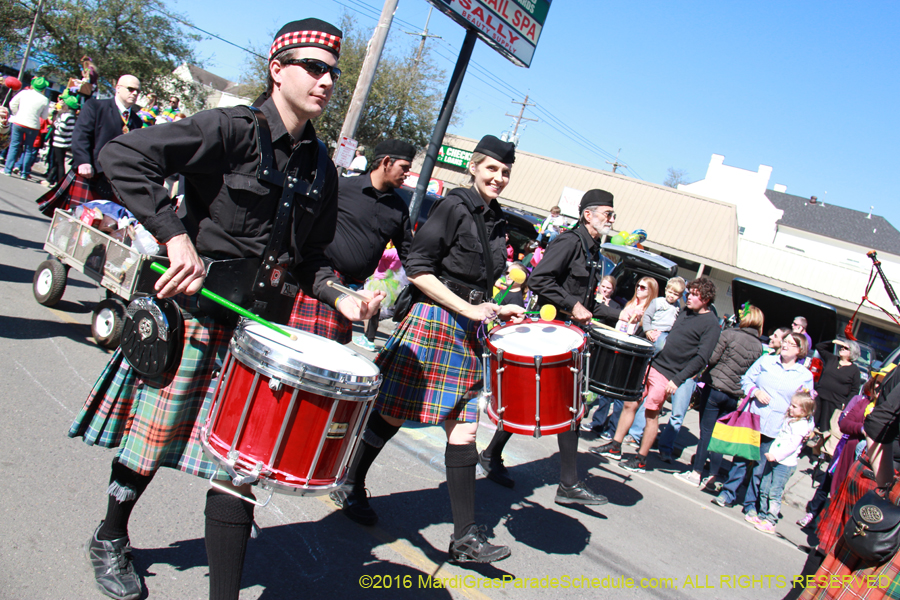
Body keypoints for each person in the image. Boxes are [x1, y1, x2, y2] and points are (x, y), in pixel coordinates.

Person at [67, 19, 381, 600]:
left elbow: (312, 260)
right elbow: (123, 155)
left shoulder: (322, 167)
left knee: (240, 471)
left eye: (333, 71)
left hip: (259, 334)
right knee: (150, 442)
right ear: (277, 68)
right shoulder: (230, 127)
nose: (326, 80)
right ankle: (111, 535)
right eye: (314, 67)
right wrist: (173, 236)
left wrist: (345, 296)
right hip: (192, 314)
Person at [331, 135, 525, 563]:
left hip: (468, 327)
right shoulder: (454, 205)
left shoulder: (497, 220)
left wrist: (497, 309)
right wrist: (466, 309)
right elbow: (418, 269)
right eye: (491, 169)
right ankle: (350, 479)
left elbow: (479, 282)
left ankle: (464, 539)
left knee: (465, 429)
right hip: (435, 320)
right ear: (473, 167)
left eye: (505, 172)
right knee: (393, 411)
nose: (499, 177)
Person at [478, 189, 621, 503]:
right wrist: (573, 304)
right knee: (565, 405)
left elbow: (589, 304)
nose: (612, 220)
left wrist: (623, 315)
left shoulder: (593, 249)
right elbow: (540, 279)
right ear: (588, 214)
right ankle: (567, 484)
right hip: (549, 330)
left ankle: (492, 455)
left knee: (552, 403)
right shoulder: (570, 242)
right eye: (608, 214)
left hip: (567, 333)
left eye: (613, 215)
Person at [288, 138, 414, 348]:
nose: (407, 173)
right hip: (323, 280)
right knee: (302, 349)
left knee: (328, 356)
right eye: (404, 167)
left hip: (356, 291)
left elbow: (408, 253)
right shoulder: (342, 187)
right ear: (386, 162)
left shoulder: (399, 208)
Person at [595, 277, 720, 472]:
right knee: (630, 403)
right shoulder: (685, 310)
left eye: (694, 295)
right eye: (689, 293)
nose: (688, 297)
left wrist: (678, 379)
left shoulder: (711, 323)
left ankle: (641, 459)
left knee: (651, 414)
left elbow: (701, 358)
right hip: (653, 362)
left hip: (669, 373)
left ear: (705, 299)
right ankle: (615, 446)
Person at [713, 332, 814, 512]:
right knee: (741, 459)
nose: (785, 345)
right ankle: (728, 493)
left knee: (761, 467)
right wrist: (755, 391)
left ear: (800, 350)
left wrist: (808, 426)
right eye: (785, 341)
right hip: (754, 418)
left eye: (791, 344)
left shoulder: (804, 375)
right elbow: (746, 379)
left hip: (778, 426)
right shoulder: (766, 361)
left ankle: (750, 504)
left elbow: (807, 403)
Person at [674, 304, 764, 487]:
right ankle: (713, 474)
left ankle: (696, 472)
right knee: (720, 435)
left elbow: (712, 358)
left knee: (706, 432)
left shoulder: (730, 335)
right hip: (734, 394)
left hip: (715, 387)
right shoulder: (759, 347)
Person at [797, 376, 879, 529]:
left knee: (846, 495)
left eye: (882, 385)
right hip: (845, 450)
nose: (878, 388)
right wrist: (862, 429)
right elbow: (844, 422)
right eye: (877, 383)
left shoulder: (882, 410)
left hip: (862, 461)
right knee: (828, 482)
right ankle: (813, 513)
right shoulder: (860, 400)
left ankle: (827, 525)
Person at [751, 389, 815, 534]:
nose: (790, 408)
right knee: (764, 487)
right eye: (791, 405)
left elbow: (792, 446)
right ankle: (762, 515)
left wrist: (777, 455)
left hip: (784, 463)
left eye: (794, 407)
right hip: (773, 457)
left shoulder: (801, 426)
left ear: (804, 411)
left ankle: (771, 520)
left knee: (774, 491)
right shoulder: (789, 419)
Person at [71, 74, 144, 198]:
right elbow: (81, 135)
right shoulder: (95, 106)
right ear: (118, 88)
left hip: (115, 178)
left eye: (138, 91)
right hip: (91, 171)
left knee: (108, 217)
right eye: (130, 89)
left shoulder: (137, 121)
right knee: (78, 216)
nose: (134, 93)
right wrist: (83, 161)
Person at [584, 275, 624, 438]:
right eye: (603, 286)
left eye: (608, 288)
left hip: (604, 346)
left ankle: (598, 421)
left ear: (613, 290)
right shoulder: (593, 301)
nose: (605, 290)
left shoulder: (616, 306)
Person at [810, 339, 862, 441]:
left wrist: (846, 404)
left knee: (826, 428)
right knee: (811, 422)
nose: (842, 348)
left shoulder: (854, 370)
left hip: (835, 402)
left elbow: (855, 390)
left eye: (846, 348)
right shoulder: (832, 359)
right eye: (842, 347)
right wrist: (833, 342)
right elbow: (819, 346)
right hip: (820, 396)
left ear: (852, 353)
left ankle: (819, 452)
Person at [3, 76, 50, 180]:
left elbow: (12, 104)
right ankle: (24, 173)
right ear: (43, 88)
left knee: (14, 145)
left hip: (19, 122)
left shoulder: (24, 93)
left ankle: (8, 169)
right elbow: (45, 116)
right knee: (29, 149)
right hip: (33, 125)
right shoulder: (45, 100)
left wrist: (16, 113)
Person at [642, 276, 686, 355]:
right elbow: (647, 316)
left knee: (662, 346)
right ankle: (647, 358)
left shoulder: (677, 306)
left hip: (666, 333)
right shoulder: (658, 302)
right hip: (654, 329)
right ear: (666, 290)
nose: (671, 296)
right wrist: (647, 330)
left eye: (675, 294)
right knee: (655, 345)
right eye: (670, 292)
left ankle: (651, 359)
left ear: (680, 296)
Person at [49, 95, 79, 185]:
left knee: (60, 163)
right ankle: (50, 178)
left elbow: (62, 129)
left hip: (60, 142)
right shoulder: (73, 117)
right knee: (58, 162)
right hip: (65, 142)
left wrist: (56, 122)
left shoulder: (66, 116)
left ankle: (60, 182)